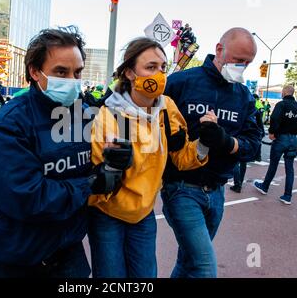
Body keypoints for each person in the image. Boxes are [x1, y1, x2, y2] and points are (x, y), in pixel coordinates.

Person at [0, 27, 129, 278]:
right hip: (19, 256)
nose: (72, 80)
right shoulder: (9, 124)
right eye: (61, 71)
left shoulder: (85, 111)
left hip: (68, 250)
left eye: (77, 72)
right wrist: (90, 184)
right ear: (35, 71)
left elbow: (106, 159)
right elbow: (26, 197)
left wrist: (118, 158)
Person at [88, 37, 210, 278]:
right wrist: (111, 168)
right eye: (151, 67)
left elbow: (182, 158)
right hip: (107, 215)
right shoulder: (109, 115)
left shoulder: (167, 110)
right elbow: (94, 184)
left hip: (144, 214)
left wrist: (205, 142)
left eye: (163, 67)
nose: (160, 74)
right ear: (130, 73)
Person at [163, 27, 261, 278]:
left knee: (188, 262)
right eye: (238, 60)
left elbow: (253, 145)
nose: (242, 67)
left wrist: (226, 142)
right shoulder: (180, 82)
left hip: (217, 192)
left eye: (247, 63)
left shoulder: (244, 95)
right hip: (181, 188)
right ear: (219, 49)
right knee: (204, 268)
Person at [253, 85, 297, 205]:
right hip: (294, 139)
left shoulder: (281, 104)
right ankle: (287, 196)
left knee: (273, 163)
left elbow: (275, 118)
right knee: (290, 168)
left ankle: (264, 187)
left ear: (284, 92)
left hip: (282, 138)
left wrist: (272, 132)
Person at [230, 94, 265, 193]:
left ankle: (237, 184)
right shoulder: (256, 110)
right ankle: (240, 181)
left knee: (236, 161)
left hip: (239, 136)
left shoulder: (241, 107)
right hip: (248, 138)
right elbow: (260, 125)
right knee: (243, 161)